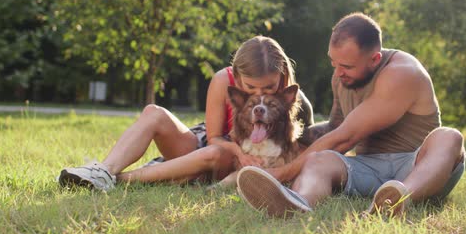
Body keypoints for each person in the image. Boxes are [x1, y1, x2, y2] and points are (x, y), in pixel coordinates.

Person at [236, 13, 466, 218]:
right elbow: (333, 128)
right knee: (319, 159)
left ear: (374, 59)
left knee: (449, 136)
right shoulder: (342, 77)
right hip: (369, 167)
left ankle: (400, 198)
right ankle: (298, 202)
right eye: (333, 62)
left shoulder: (402, 73)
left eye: (346, 66)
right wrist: (282, 138)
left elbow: (344, 138)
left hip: (417, 165)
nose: (337, 73)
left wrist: (280, 173)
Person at [58, 36, 314, 191]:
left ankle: (122, 180)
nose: (258, 94)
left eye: (268, 87)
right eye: (250, 87)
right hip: (213, 144)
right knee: (153, 112)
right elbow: (213, 136)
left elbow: (298, 152)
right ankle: (103, 171)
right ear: (236, 76)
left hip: (230, 161)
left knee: (216, 152)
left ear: (282, 78)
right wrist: (239, 152)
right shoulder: (221, 80)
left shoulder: (294, 101)